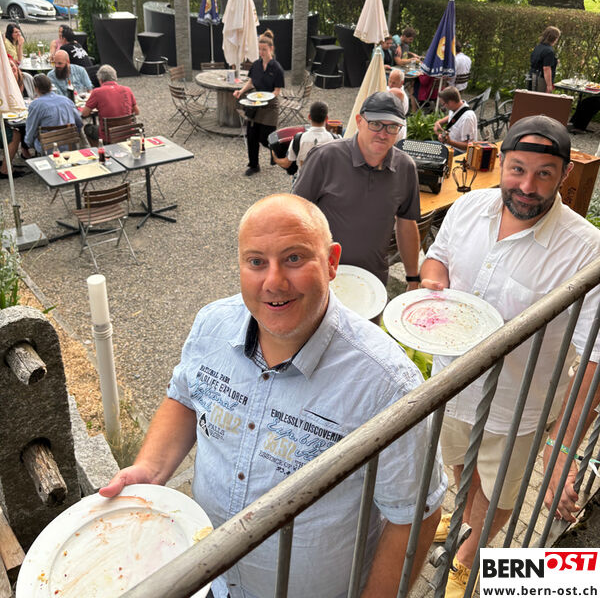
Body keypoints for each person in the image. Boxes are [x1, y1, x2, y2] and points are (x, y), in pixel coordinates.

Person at [99, 194, 446, 598]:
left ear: (332, 262)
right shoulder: (212, 325)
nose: (274, 282)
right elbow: (186, 400)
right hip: (212, 581)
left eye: (294, 258)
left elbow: (415, 515)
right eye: (256, 262)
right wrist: (150, 471)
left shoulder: (386, 383)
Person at [420, 115, 600, 597]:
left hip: (515, 406)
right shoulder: (469, 207)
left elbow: (594, 357)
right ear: (501, 161)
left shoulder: (587, 251)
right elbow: (438, 255)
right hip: (452, 381)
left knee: (498, 488)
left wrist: (562, 448)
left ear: (565, 174)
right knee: (461, 466)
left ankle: (468, 557)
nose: (527, 186)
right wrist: (433, 278)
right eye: (518, 169)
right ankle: (463, 521)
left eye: (544, 174)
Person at [293, 91, 420, 288]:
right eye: (375, 124)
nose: (383, 134)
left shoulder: (405, 167)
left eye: (392, 127)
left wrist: (413, 278)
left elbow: (406, 224)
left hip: (372, 282)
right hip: (323, 277)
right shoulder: (325, 157)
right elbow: (295, 215)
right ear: (359, 121)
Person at [233, 29, 285, 176]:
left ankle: (277, 152)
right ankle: (254, 165)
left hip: (270, 107)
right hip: (255, 105)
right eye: (260, 49)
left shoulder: (277, 68)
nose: (261, 52)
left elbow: (277, 91)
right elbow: (251, 82)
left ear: (271, 49)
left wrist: (266, 98)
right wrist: (240, 92)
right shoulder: (255, 65)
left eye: (264, 49)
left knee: (265, 138)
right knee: (251, 135)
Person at [24, 74, 83, 154]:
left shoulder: (36, 105)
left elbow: (31, 130)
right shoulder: (67, 100)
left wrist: (28, 144)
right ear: (51, 87)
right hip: (70, 144)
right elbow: (79, 123)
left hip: (47, 147)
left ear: (36, 89)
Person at [272, 100, 336, 172]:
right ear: (326, 118)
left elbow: (286, 164)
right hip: (325, 178)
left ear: (309, 117)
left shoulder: (298, 139)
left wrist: (275, 159)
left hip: (304, 177)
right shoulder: (335, 139)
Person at [81, 64, 139, 142]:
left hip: (108, 136)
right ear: (115, 77)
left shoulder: (97, 92)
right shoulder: (127, 90)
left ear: (100, 80)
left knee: (88, 128)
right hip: (128, 133)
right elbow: (136, 112)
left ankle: (99, 147)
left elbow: (84, 113)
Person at [433, 86, 478, 152]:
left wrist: (449, 142)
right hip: (448, 146)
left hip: (459, 152)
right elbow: (452, 117)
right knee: (422, 146)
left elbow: (468, 145)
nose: (443, 107)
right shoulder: (456, 108)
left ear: (451, 102)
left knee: (426, 153)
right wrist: (438, 123)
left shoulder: (467, 118)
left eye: (443, 104)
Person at [529, 25, 560, 93]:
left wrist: (555, 61)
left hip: (532, 76)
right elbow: (546, 68)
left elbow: (538, 61)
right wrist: (549, 85)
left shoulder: (538, 47)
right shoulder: (549, 51)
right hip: (541, 79)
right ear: (554, 38)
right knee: (541, 98)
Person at [388, 68, 409, 139]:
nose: (390, 85)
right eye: (389, 81)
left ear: (401, 83)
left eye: (394, 83)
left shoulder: (402, 98)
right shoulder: (388, 88)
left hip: (396, 130)